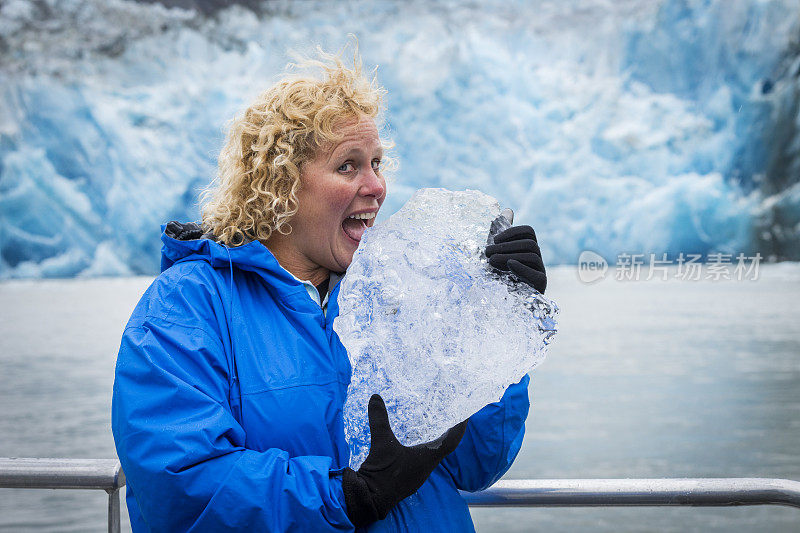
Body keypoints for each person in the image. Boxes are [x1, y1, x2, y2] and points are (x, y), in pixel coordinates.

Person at [112, 47, 547, 532]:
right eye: (348, 166)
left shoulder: (397, 294)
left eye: (377, 164)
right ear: (281, 185)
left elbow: (477, 464)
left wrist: (497, 319)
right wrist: (351, 496)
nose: (376, 186)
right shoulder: (188, 306)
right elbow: (179, 485)